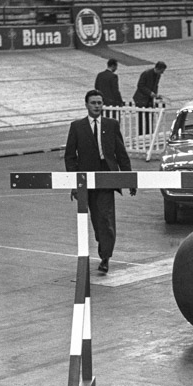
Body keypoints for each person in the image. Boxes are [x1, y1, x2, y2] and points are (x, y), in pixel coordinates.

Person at [64, 89, 136, 274]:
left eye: (99, 103)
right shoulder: (77, 127)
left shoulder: (111, 125)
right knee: (96, 220)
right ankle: (102, 246)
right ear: (86, 105)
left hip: (106, 178)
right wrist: (75, 183)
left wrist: (128, 179)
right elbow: (70, 157)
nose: (97, 106)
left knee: (106, 218)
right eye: (93, 103)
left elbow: (121, 154)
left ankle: (105, 257)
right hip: (86, 180)